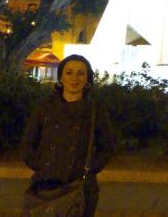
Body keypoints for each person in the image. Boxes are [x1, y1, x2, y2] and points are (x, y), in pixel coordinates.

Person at [22, 54, 115, 216]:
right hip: (46, 184)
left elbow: (106, 147)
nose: (75, 78)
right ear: (61, 77)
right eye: (69, 72)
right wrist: (41, 165)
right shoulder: (45, 107)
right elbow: (28, 142)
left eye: (81, 73)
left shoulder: (95, 111)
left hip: (80, 186)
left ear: (87, 79)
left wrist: (89, 169)